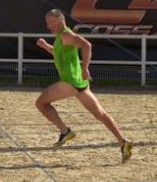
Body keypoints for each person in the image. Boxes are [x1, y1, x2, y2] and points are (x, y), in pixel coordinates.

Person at [35, 9, 133, 164]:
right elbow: (58, 54)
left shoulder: (66, 35)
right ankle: (123, 142)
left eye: (50, 23)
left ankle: (65, 131)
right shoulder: (61, 37)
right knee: (100, 114)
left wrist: (85, 68)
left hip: (70, 82)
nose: (48, 27)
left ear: (59, 22)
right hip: (79, 83)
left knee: (41, 103)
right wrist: (45, 46)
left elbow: (86, 45)